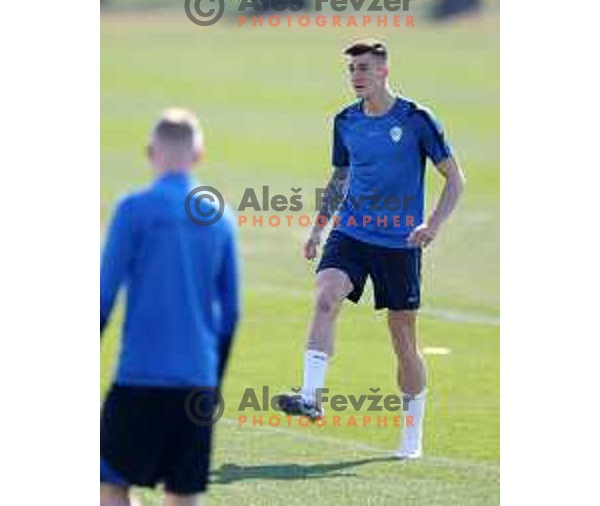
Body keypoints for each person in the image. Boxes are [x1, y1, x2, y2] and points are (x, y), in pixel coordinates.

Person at [277, 41, 465, 459]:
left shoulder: (417, 120)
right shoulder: (344, 121)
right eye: (351, 69)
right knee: (326, 296)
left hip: (400, 245)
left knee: (402, 338)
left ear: (383, 71)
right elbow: (340, 178)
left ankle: (411, 438)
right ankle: (310, 395)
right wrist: (317, 229)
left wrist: (431, 225)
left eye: (363, 68)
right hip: (352, 234)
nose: (356, 76)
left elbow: (455, 180)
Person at [100, 109, 240, 505]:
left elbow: (102, 297)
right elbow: (231, 313)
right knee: (183, 493)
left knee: (112, 485)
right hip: (195, 383)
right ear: (199, 155)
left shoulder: (132, 210)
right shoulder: (220, 218)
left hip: (136, 379)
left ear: (151, 152)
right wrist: (212, 381)